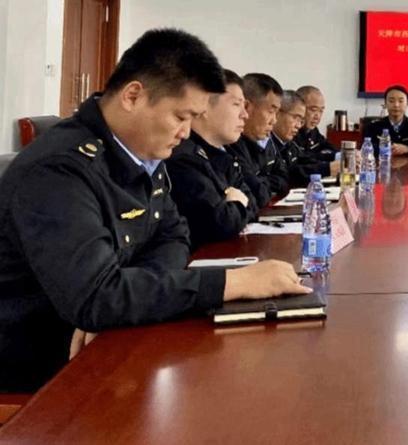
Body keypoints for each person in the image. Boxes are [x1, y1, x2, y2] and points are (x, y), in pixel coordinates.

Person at [0, 29, 310, 393]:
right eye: (181, 116)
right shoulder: (59, 170)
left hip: (110, 340)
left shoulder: (142, 150)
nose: (186, 132)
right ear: (133, 96)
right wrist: (234, 283)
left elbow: (174, 235)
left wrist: (120, 302)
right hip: (43, 368)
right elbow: (95, 297)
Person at [165, 69, 258, 249]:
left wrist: (236, 203)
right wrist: (239, 202)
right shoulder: (183, 157)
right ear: (203, 107)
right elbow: (220, 223)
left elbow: (253, 201)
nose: (245, 114)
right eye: (236, 104)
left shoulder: (222, 154)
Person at [226, 73, 289, 205]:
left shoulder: (266, 140)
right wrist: (264, 182)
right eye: (271, 111)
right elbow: (258, 193)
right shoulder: (231, 144)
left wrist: (262, 181)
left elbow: (284, 178)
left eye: (276, 113)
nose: (274, 121)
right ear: (247, 107)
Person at [272, 91, 334, 187]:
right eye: (295, 118)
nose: (298, 125)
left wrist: (333, 164)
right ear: (277, 114)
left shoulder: (289, 143)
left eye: (301, 120)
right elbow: (288, 175)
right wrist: (327, 168)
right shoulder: (265, 143)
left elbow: (306, 160)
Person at [362, 85, 408, 158]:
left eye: (401, 101)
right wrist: (386, 149)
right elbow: (364, 146)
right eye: (391, 101)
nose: (396, 105)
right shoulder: (373, 126)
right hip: (381, 163)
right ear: (385, 104)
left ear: (407, 104)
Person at [294, 85, 340, 169]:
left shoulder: (313, 130)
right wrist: (332, 158)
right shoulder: (290, 131)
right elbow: (302, 158)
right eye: (313, 110)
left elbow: (327, 146)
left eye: (321, 111)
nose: (317, 116)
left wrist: (343, 154)